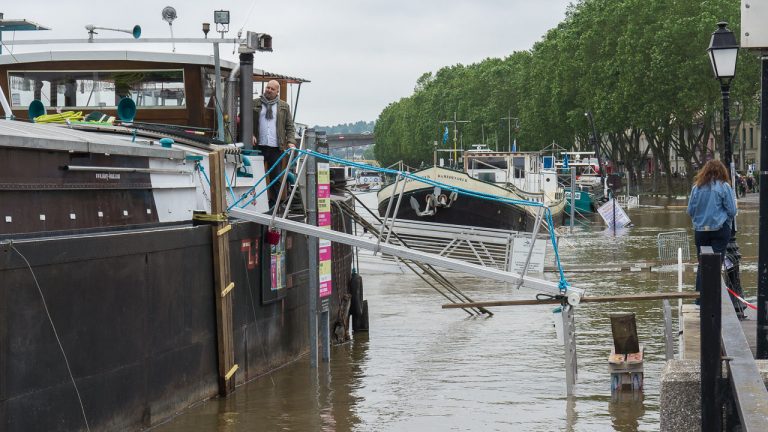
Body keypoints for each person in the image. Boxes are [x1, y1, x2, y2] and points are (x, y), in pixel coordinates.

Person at [686, 159, 737, 296]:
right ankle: (712, 300)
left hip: (701, 231)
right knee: (715, 265)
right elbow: (732, 210)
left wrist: (699, 220)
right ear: (722, 172)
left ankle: (699, 299)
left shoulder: (696, 187)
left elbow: (690, 211)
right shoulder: (724, 186)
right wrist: (726, 220)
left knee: (703, 264)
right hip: (720, 229)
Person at [252, 80, 297, 209]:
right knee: (256, 176)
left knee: (275, 178)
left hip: (276, 147)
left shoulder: (283, 106)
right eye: (268, 87)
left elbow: (289, 126)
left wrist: (291, 142)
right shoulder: (255, 104)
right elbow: (245, 120)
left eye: (272, 89)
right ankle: (255, 203)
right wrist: (250, 134)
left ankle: (274, 204)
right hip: (259, 146)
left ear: (277, 91)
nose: (269, 90)